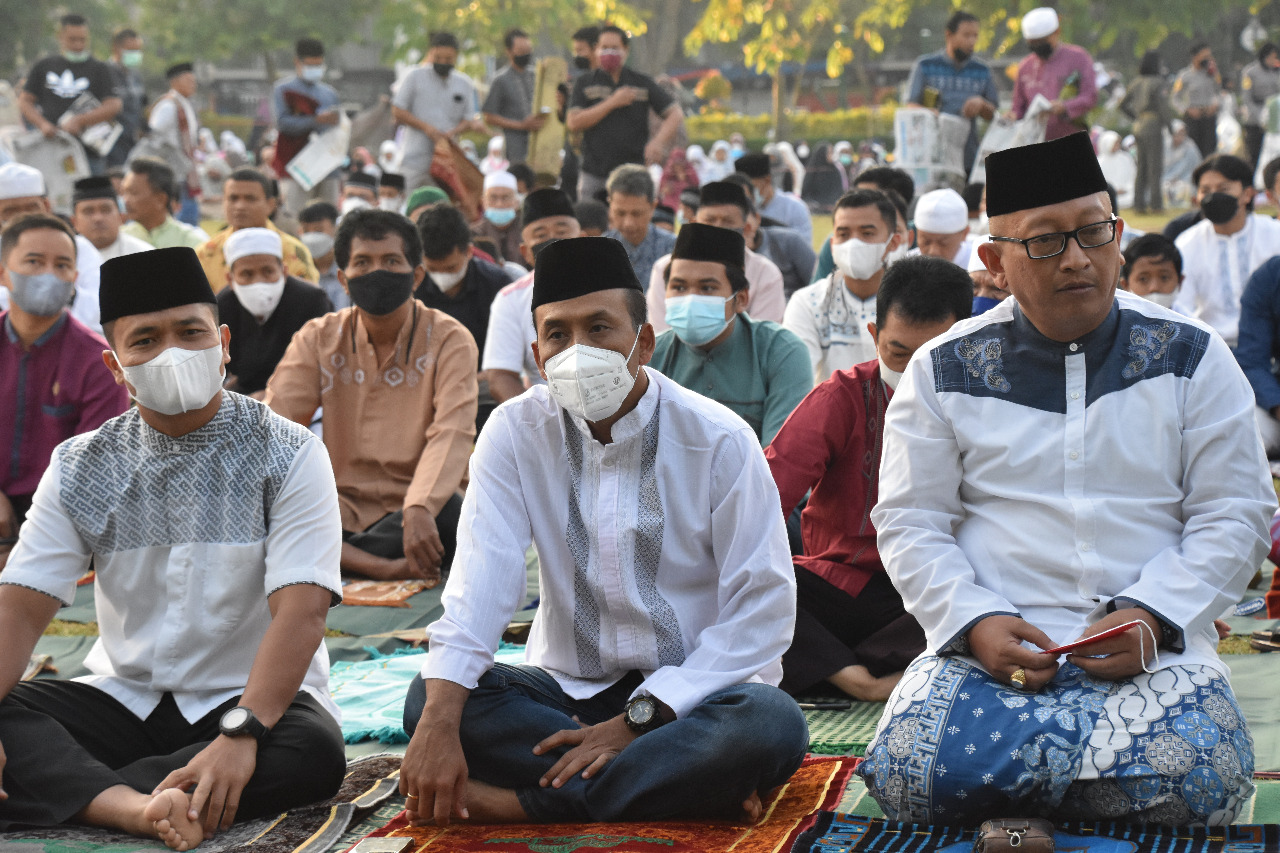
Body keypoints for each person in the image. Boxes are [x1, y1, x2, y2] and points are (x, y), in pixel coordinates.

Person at [859, 132, 1272, 825]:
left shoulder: (1192, 356)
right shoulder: (942, 369)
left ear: (1118, 233)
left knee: (1206, 774)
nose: (1078, 257)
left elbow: (1236, 511)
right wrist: (975, 619)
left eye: (1093, 231)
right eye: (1047, 241)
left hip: (1150, 651)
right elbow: (910, 521)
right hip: (991, 653)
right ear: (992, 260)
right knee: (907, 769)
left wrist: (1155, 612)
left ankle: (1018, 810)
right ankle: (1079, 810)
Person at [397, 235, 807, 826]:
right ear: (537, 354)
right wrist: (438, 719)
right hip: (568, 693)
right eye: (558, 334)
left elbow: (762, 613)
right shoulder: (514, 432)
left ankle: (527, 804)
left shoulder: (718, 438)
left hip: (695, 696)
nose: (578, 349)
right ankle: (685, 787)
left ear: (644, 340)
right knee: (434, 696)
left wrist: (637, 724)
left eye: (599, 328)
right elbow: (480, 583)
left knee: (771, 722)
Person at [0, 246, 347, 847]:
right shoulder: (81, 464)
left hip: (248, 702)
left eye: (191, 332)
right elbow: (18, 607)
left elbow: (303, 611)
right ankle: (140, 806)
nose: (172, 353)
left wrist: (240, 735)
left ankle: (90, 796)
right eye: (145, 341)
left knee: (312, 751)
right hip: (122, 699)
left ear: (224, 342)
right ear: (115, 365)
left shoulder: (288, 451)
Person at [767, 255, 971, 701]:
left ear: (965, 341)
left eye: (931, 355)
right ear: (874, 336)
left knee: (1001, 599)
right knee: (757, 586)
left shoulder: (988, 402)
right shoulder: (840, 398)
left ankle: (840, 663)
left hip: (942, 590)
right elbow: (762, 500)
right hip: (843, 588)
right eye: (899, 353)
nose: (914, 371)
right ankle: (861, 680)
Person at [264, 209, 477, 583]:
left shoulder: (449, 339)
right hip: (340, 511)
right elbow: (276, 431)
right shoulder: (318, 338)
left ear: (417, 276)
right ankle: (382, 567)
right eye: (363, 262)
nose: (377, 272)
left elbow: (453, 432)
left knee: (458, 517)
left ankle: (342, 560)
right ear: (343, 280)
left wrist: (420, 506)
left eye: (391, 261)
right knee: (266, 510)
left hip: (423, 514)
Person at [0, 213, 128, 570]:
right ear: (3, 273)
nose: (49, 275)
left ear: (75, 278)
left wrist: (30, 543)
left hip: (61, 516)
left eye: (62, 265)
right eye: (33, 262)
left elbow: (94, 471)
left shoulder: (97, 361)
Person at [649, 223, 810, 446]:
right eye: (679, 287)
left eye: (707, 288)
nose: (690, 299)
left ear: (741, 299)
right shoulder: (650, 357)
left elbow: (779, 460)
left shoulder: (781, 351)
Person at [785, 190, 902, 383]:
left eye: (867, 233)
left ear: (893, 242)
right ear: (833, 244)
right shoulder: (808, 303)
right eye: (844, 234)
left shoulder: (913, 302)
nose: (853, 243)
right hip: (830, 410)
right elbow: (798, 378)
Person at [416, 204, 513, 432]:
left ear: (468, 252)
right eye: (433, 269)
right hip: (423, 389)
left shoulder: (497, 287)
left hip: (482, 388)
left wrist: (465, 383)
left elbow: (506, 361)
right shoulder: (411, 288)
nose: (442, 277)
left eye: (450, 268)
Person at [482, 188, 582, 404]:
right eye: (541, 235)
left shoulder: (614, 287)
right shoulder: (511, 299)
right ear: (525, 252)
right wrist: (538, 422)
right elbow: (500, 376)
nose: (553, 240)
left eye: (562, 231)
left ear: (583, 238)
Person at [647, 181, 786, 332]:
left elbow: (763, 339)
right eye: (709, 221)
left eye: (727, 222)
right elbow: (660, 336)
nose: (717, 230)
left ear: (746, 229)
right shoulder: (665, 268)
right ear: (694, 224)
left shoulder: (765, 274)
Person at [567, 24, 684, 203]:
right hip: (594, 173)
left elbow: (674, 113)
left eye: (615, 48)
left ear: (625, 50)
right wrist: (612, 102)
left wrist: (658, 143)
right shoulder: (584, 83)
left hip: (633, 173)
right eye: (604, 48)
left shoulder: (641, 82)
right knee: (592, 226)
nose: (609, 52)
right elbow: (573, 122)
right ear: (596, 49)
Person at [1173, 154, 1280, 347]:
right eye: (1205, 190)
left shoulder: (1275, 235)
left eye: (1223, 189)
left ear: (1247, 194)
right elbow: (1181, 307)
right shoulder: (1187, 243)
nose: (1214, 196)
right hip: (1212, 348)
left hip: (1271, 345)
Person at [216, 228, 332, 398]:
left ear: (284, 272)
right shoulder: (222, 305)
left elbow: (325, 367)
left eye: (268, 272)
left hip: (305, 396)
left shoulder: (312, 300)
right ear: (230, 280)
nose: (258, 282)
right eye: (246, 274)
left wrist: (273, 396)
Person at [0, 163, 105, 333]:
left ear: (46, 206)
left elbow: (103, 310)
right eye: (11, 211)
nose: (23, 217)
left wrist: (66, 292)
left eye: (31, 208)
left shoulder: (78, 247)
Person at [18, 14, 123, 175]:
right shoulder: (44, 66)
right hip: (51, 146)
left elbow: (114, 105)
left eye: (82, 40)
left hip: (88, 150)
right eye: (72, 39)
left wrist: (80, 120)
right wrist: (42, 124)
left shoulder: (99, 68)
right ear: (60, 37)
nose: (78, 45)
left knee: (90, 193)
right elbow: (25, 100)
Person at [906, 11, 1000, 173]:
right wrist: (930, 113)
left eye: (975, 36)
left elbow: (994, 115)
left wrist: (982, 104)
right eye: (966, 35)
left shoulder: (982, 70)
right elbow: (910, 106)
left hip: (968, 157)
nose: (972, 41)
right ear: (949, 35)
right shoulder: (925, 65)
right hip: (932, 156)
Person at [391, 32, 485, 194]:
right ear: (431, 54)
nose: (442, 62)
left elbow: (469, 119)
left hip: (447, 163)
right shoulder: (414, 77)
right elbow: (397, 110)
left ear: (456, 57)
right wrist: (426, 128)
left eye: (448, 59)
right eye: (438, 58)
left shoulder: (465, 84)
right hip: (414, 159)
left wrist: (453, 132)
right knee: (408, 206)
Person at [196, 168, 320, 291]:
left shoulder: (294, 251)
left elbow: (309, 301)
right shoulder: (205, 254)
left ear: (270, 205)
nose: (240, 206)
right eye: (233, 198)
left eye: (250, 199)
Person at [274, 38, 343, 216]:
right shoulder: (284, 90)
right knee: (297, 216)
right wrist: (315, 120)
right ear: (298, 62)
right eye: (311, 65)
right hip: (299, 165)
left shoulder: (330, 94)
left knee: (329, 217)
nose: (315, 70)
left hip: (328, 166)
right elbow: (283, 123)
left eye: (319, 65)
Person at [1011, 8, 1097, 142]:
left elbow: (1090, 96)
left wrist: (1064, 106)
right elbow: (1018, 109)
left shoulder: (1079, 58)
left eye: (1042, 41)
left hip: (1072, 141)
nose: (1038, 46)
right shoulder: (1025, 66)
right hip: (1035, 145)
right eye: (1033, 43)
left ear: (1057, 32)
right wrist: (1010, 117)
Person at [147, 62, 202, 226]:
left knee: (188, 211)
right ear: (174, 82)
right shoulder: (168, 105)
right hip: (173, 167)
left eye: (193, 81)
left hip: (184, 167)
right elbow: (154, 136)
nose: (193, 84)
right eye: (188, 80)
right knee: (182, 213)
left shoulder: (184, 104)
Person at [1235, 256, 1280, 456]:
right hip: (1277, 400)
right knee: (1246, 434)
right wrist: (1277, 406)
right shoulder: (1269, 276)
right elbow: (1252, 361)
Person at [482, 29, 546, 167]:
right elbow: (489, 116)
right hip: (515, 148)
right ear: (509, 51)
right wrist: (521, 125)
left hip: (541, 144)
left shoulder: (537, 76)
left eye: (528, 50)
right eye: (521, 50)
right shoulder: (500, 80)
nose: (526, 54)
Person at [604, 164, 676, 286]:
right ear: (610, 205)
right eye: (620, 213)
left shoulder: (672, 249)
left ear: (653, 207)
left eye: (636, 214)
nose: (628, 224)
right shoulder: (602, 248)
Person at [1120, 51, 1171, 214]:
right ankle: (1156, 205)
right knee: (1154, 167)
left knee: (1141, 167)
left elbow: (1121, 105)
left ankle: (1139, 204)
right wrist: (1169, 126)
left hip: (1139, 125)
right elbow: (1163, 107)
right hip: (1153, 125)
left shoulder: (1136, 82)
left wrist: (1135, 117)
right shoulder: (1158, 82)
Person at [120, 157, 209, 249]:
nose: (126, 200)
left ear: (160, 199)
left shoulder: (191, 241)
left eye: (134, 193)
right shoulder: (118, 239)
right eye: (124, 193)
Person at [734, 153, 812, 245]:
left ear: (767, 180)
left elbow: (803, 247)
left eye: (752, 188)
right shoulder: (739, 209)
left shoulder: (794, 208)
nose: (748, 194)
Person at [70, 175, 151, 261]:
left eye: (105, 210)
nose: (98, 218)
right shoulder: (65, 257)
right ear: (74, 222)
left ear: (121, 217)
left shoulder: (143, 254)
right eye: (88, 212)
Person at [1172, 42, 1223, 159]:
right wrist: (1186, 110)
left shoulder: (1212, 73)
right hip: (1193, 117)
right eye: (1205, 56)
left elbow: (1219, 93)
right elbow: (1175, 98)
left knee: (1210, 151)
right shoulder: (1184, 75)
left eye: (1209, 56)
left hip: (1209, 116)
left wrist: (1215, 104)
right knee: (1193, 151)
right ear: (1195, 57)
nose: (1208, 59)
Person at [106, 28, 145, 169]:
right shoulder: (104, 73)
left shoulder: (135, 76)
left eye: (137, 50)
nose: (135, 55)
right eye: (130, 50)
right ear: (116, 47)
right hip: (111, 144)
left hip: (132, 142)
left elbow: (141, 107)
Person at [297, 201, 348, 310]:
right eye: (306, 231)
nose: (311, 237)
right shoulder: (298, 271)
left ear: (336, 229)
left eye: (318, 230)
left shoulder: (348, 270)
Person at [911, 187, 975, 267]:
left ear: (965, 233)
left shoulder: (978, 265)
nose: (933, 251)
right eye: (926, 242)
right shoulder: (907, 265)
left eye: (943, 243)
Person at [472, 171, 524, 268]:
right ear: (483, 202)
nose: (499, 204)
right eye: (493, 197)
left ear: (516, 202)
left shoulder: (526, 232)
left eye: (505, 198)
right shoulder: (473, 233)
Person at [1240, 44, 1280, 170]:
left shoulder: (1276, 71)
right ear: (1264, 57)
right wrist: (1260, 118)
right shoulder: (1250, 72)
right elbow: (1247, 98)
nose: (1274, 61)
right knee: (1255, 154)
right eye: (1271, 58)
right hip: (1255, 118)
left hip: (1274, 119)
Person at [1119, 233, 1183, 309]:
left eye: (1164, 277)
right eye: (1143, 279)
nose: (1154, 288)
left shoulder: (1191, 320)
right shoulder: (1113, 320)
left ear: (1180, 282)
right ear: (1125, 285)